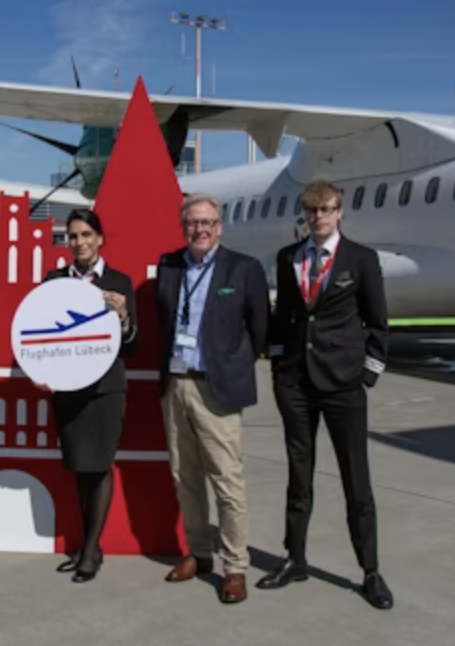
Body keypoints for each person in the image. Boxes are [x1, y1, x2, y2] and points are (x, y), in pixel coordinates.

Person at [260, 180, 395, 610]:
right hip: (297, 385)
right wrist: (280, 369)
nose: (318, 217)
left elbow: (378, 323)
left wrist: (367, 375)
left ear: (340, 212)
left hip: (343, 386)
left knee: (357, 480)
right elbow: (282, 322)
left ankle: (370, 570)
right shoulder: (288, 258)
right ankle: (295, 558)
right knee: (299, 478)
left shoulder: (362, 259)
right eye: (311, 210)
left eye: (326, 209)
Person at [154, 194, 269, 605]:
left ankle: (235, 566)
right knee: (185, 477)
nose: (199, 229)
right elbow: (163, 320)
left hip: (216, 389)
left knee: (227, 480)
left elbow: (259, 330)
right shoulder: (169, 266)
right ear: (183, 226)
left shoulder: (244, 268)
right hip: (175, 385)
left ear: (219, 227)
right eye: (192, 223)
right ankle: (199, 554)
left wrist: (229, 366)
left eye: (207, 222)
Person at [32, 209, 136, 583]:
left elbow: (133, 345)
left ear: (100, 238)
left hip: (106, 390)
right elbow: (41, 333)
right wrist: (40, 370)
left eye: (87, 234)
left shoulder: (120, 281)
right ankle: (86, 546)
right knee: (79, 465)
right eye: (73, 236)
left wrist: (123, 315)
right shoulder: (54, 281)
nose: (80, 242)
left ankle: (90, 550)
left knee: (99, 465)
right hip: (68, 390)